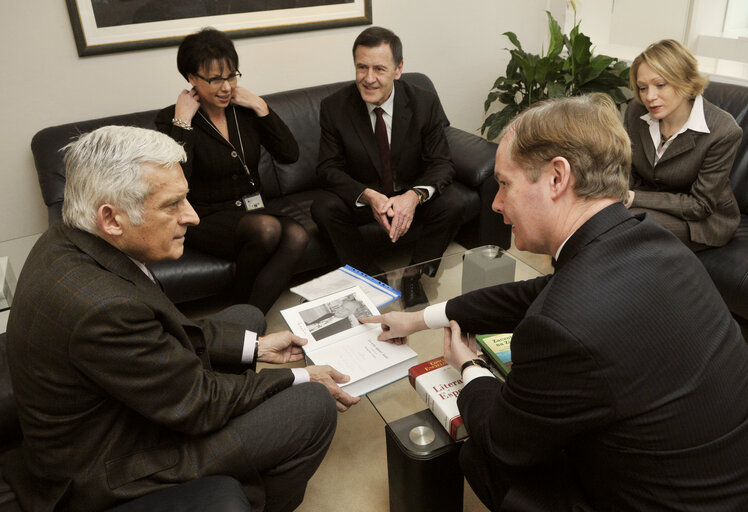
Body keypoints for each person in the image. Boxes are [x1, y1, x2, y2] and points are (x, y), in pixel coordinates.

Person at [362, 94, 748, 510]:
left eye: (505, 184)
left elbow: (501, 438)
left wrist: (470, 368)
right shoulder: (651, 241)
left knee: (479, 453)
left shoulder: (561, 326)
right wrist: (419, 320)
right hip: (723, 479)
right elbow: (535, 292)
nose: (495, 203)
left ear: (556, 178)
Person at [4, 125, 360, 512]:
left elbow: (157, 330)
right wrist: (300, 376)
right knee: (311, 405)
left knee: (247, 317)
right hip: (113, 464)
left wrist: (255, 348)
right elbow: (198, 403)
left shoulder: (66, 238)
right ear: (112, 218)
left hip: (117, 408)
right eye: (172, 205)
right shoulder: (104, 309)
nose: (192, 217)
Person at [311, 26, 466, 307]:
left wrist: (414, 196)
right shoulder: (335, 107)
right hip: (365, 199)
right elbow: (327, 168)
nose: (368, 79)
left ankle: (413, 274)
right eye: (362, 67)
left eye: (379, 69)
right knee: (322, 207)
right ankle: (370, 275)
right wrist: (368, 195)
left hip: (408, 194)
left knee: (453, 202)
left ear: (398, 69)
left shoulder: (423, 102)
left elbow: (441, 163)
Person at [156, 27, 306, 313]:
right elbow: (176, 182)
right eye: (214, 79)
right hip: (205, 216)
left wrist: (262, 107)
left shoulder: (244, 110)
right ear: (191, 78)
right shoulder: (172, 120)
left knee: (297, 235)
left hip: (252, 209)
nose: (226, 87)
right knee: (266, 229)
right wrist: (183, 124)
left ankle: (247, 317)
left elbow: (290, 154)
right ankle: (241, 312)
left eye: (231, 76)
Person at [624, 39, 742, 251]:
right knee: (598, 214)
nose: (649, 97)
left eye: (660, 85)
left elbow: (700, 206)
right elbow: (628, 169)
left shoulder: (723, 131)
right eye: (643, 88)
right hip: (650, 203)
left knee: (624, 225)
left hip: (702, 220)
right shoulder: (636, 111)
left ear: (685, 80)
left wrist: (634, 197)